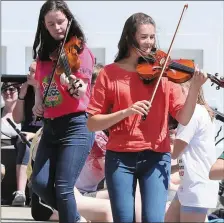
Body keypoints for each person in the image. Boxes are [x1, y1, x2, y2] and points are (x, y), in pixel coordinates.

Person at [86, 12, 208, 222]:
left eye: (152, 37)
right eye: (144, 37)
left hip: (156, 156)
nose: (150, 43)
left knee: (153, 219)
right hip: (120, 157)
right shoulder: (109, 73)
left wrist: (195, 87)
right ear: (129, 38)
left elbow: (183, 117)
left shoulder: (164, 73)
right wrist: (126, 111)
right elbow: (91, 123)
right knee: (123, 219)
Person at [31, 1, 95, 222]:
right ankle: (76, 218)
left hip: (77, 124)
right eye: (51, 24)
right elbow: (40, 86)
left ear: (69, 20)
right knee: (39, 183)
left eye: (61, 22)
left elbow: (83, 91)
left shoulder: (80, 50)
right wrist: (37, 103)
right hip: (50, 125)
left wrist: (74, 85)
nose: (57, 27)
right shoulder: (43, 55)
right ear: (44, 26)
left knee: (64, 187)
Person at [165, 81, 219, 222]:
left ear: (189, 91)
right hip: (189, 184)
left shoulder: (193, 113)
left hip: (196, 185)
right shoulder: (200, 111)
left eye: (178, 92)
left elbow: (176, 152)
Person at [11, 61, 43, 206]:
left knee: (33, 142)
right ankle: (20, 193)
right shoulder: (27, 91)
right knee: (24, 143)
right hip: (26, 133)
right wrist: (21, 96)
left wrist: (34, 135)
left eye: (32, 71)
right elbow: (17, 118)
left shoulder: (48, 91)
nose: (27, 74)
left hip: (44, 133)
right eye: (28, 70)